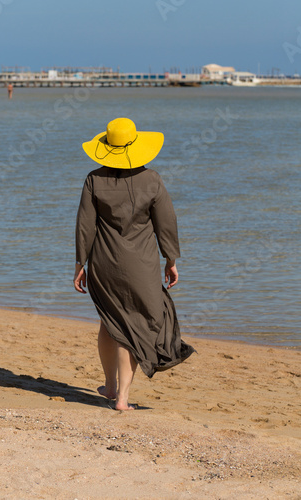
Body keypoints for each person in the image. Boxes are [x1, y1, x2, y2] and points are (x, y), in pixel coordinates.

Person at [74, 117, 195, 410]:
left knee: (110, 321)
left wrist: (80, 264)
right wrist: (171, 259)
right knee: (134, 325)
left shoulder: (94, 179)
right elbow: (166, 222)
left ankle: (110, 385)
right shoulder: (151, 180)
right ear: (136, 146)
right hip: (141, 263)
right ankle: (123, 398)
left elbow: (85, 226)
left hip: (104, 263)